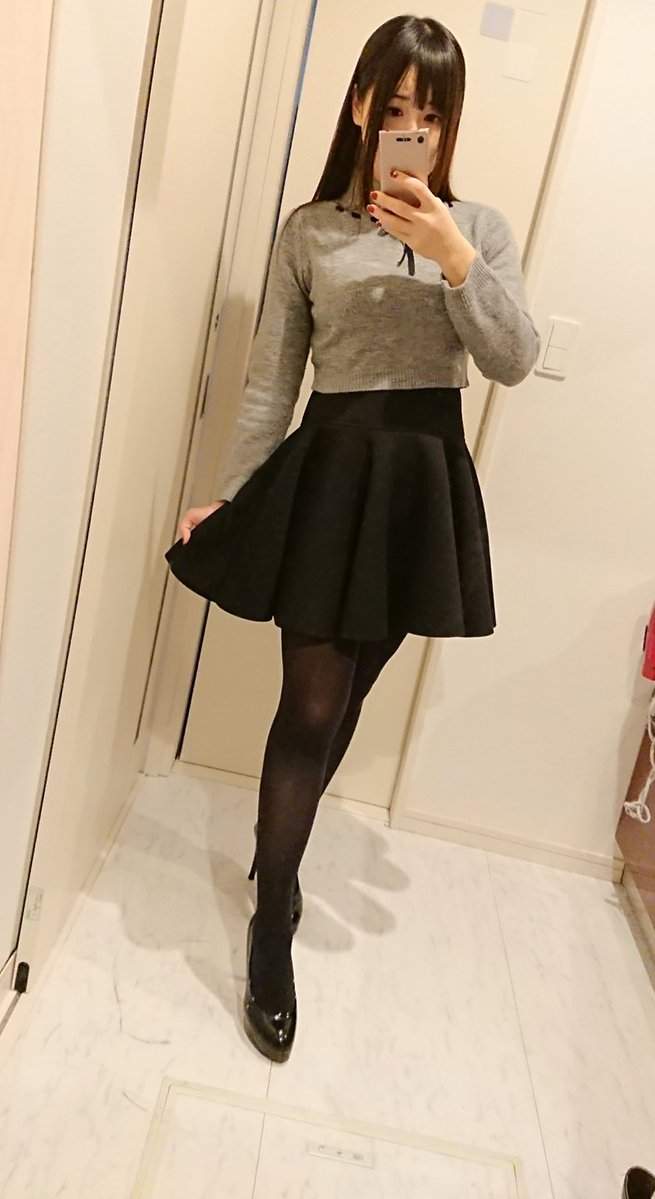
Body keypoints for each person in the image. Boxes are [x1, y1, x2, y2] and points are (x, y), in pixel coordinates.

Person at [164, 14, 541, 1063]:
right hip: (331, 476)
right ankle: (270, 920)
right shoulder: (309, 232)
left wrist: (454, 257)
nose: (412, 127)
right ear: (361, 105)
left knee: (349, 698)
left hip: (421, 481)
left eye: (432, 113)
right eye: (397, 107)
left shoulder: (480, 230)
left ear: (449, 124)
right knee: (310, 703)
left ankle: (275, 864)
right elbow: (269, 383)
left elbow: (513, 357)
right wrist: (233, 497)